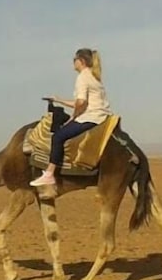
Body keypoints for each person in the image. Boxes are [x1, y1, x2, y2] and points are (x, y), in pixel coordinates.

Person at [30, 48, 114, 186]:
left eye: (74, 59)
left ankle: (49, 173)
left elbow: (81, 102)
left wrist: (74, 116)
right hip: (102, 116)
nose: (73, 62)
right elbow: (80, 102)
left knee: (58, 136)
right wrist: (58, 100)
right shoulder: (94, 77)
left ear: (81, 61)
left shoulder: (82, 77)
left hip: (90, 118)